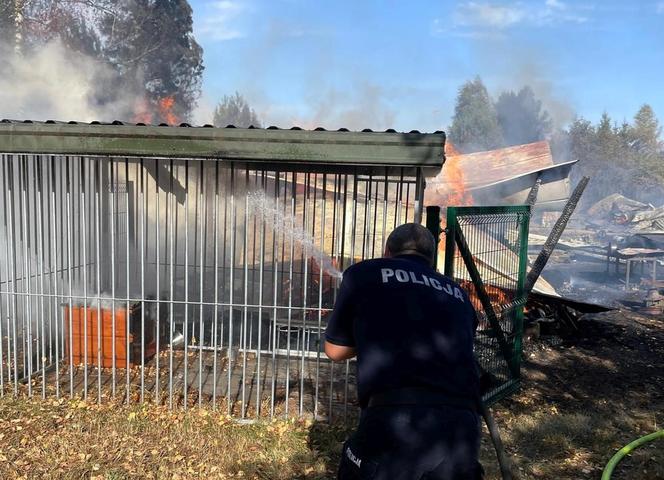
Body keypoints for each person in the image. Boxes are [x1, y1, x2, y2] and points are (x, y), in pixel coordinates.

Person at [324, 223, 483, 480]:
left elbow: (334, 350)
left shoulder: (363, 273)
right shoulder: (459, 294)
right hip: (462, 424)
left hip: (397, 419)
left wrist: (373, 335)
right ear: (431, 261)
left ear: (387, 251)